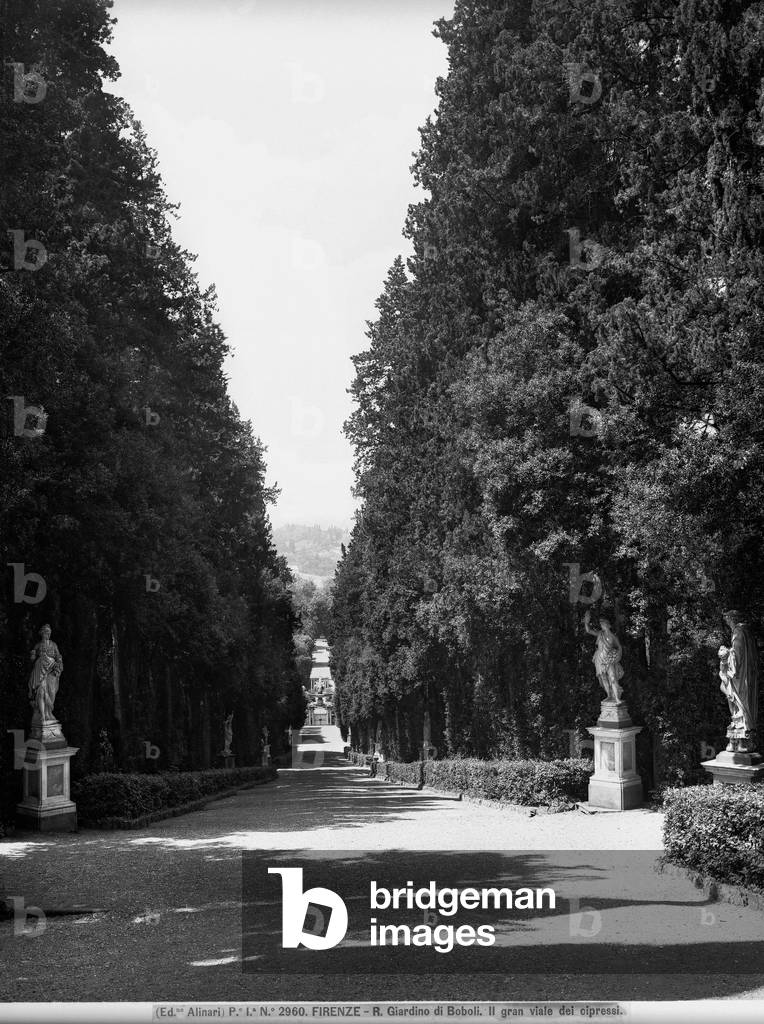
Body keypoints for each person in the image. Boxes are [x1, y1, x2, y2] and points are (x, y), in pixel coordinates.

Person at [723, 610, 759, 736]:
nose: (727, 622)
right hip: (748, 671)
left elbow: (737, 654)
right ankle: (745, 723)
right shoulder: (747, 632)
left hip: (740, 672)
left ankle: (742, 723)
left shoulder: (738, 631)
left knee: (734, 694)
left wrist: (728, 655)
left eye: (727, 620)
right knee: (743, 697)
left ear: (732, 619)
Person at [584, 610, 624, 703]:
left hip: (609, 659)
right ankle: (609, 696)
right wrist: (586, 622)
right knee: (603, 678)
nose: (601, 625)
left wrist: (617, 656)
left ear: (608, 625)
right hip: (599, 658)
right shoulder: (600, 634)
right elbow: (588, 630)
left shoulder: (613, 637)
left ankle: (617, 698)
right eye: (601, 624)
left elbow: (619, 647)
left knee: (613, 677)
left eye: (603, 624)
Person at [28, 624, 63, 721]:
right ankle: (43, 714)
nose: (48, 634)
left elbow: (58, 655)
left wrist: (59, 663)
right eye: (46, 632)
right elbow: (33, 656)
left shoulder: (54, 644)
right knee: (41, 690)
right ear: (42, 633)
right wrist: (33, 655)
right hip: (40, 668)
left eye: (49, 632)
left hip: (51, 667)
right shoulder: (38, 645)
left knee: (51, 690)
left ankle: (49, 712)